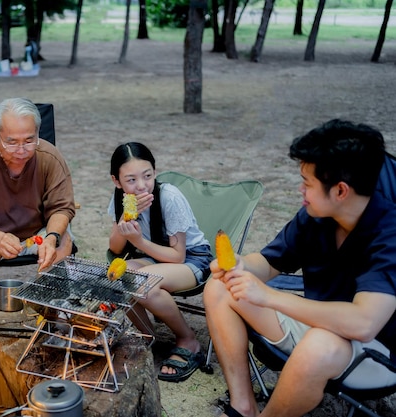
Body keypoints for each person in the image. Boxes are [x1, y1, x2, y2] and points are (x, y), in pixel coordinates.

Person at [204, 119, 396, 417]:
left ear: (341, 191)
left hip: (375, 352)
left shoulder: (389, 232)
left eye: (308, 183)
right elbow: (268, 263)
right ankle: (243, 406)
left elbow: (363, 323)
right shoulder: (316, 216)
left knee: (320, 345)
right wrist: (241, 265)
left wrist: (269, 297)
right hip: (318, 323)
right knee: (219, 288)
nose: (300, 190)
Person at [107, 142, 214, 382]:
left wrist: (138, 240)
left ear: (155, 172)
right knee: (116, 277)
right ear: (117, 181)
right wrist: (125, 217)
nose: (142, 185)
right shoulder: (120, 198)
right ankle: (147, 339)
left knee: (144, 283)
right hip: (153, 258)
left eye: (147, 176)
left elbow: (178, 256)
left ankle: (188, 340)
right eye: (131, 180)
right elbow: (115, 248)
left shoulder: (169, 197)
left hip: (192, 260)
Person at [0, 97, 76, 309]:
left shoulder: (49, 156)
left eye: (29, 140)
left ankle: (40, 314)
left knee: (63, 243)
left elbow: (61, 207)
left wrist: (51, 237)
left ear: (37, 133)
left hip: (37, 233)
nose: (21, 150)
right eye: (11, 142)